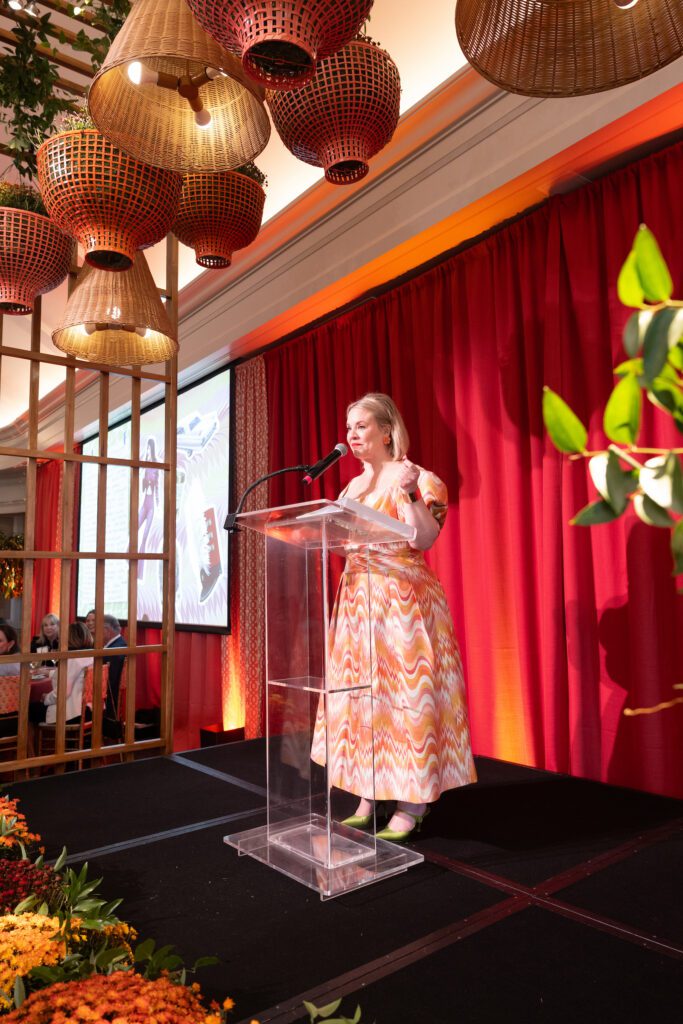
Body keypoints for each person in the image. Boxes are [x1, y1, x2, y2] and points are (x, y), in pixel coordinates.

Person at [311, 393, 477, 841]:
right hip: (357, 602)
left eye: (361, 425)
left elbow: (424, 539)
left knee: (405, 698)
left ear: (387, 430)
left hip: (402, 600)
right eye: (349, 428)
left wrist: (406, 493)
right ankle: (368, 795)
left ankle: (412, 803)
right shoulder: (350, 489)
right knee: (364, 700)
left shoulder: (420, 478)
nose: (351, 434)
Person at [29, 621, 93, 725]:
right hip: (89, 709)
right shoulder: (90, 655)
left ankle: (28, 741)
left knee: (29, 708)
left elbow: (62, 693)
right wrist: (50, 673)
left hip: (71, 713)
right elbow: (75, 676)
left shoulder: (72, 659)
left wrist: (46, 698)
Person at [138, 436, 160, 580]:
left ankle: (139, 573)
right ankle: (129, 560)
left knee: (144, 537)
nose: (146, 451)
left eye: (148, 449)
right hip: (144, 503)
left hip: (151, 505)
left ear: (151, 449)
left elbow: (156, 487)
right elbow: (143, 488)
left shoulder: (156, 466)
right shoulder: (145, 467)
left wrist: (158, 502)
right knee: (134, 530)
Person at [102, 614, 126, 727]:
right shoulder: (121, 643)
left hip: (109, 703)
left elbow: (108, 683)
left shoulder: (112, 652)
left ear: (107, 630)